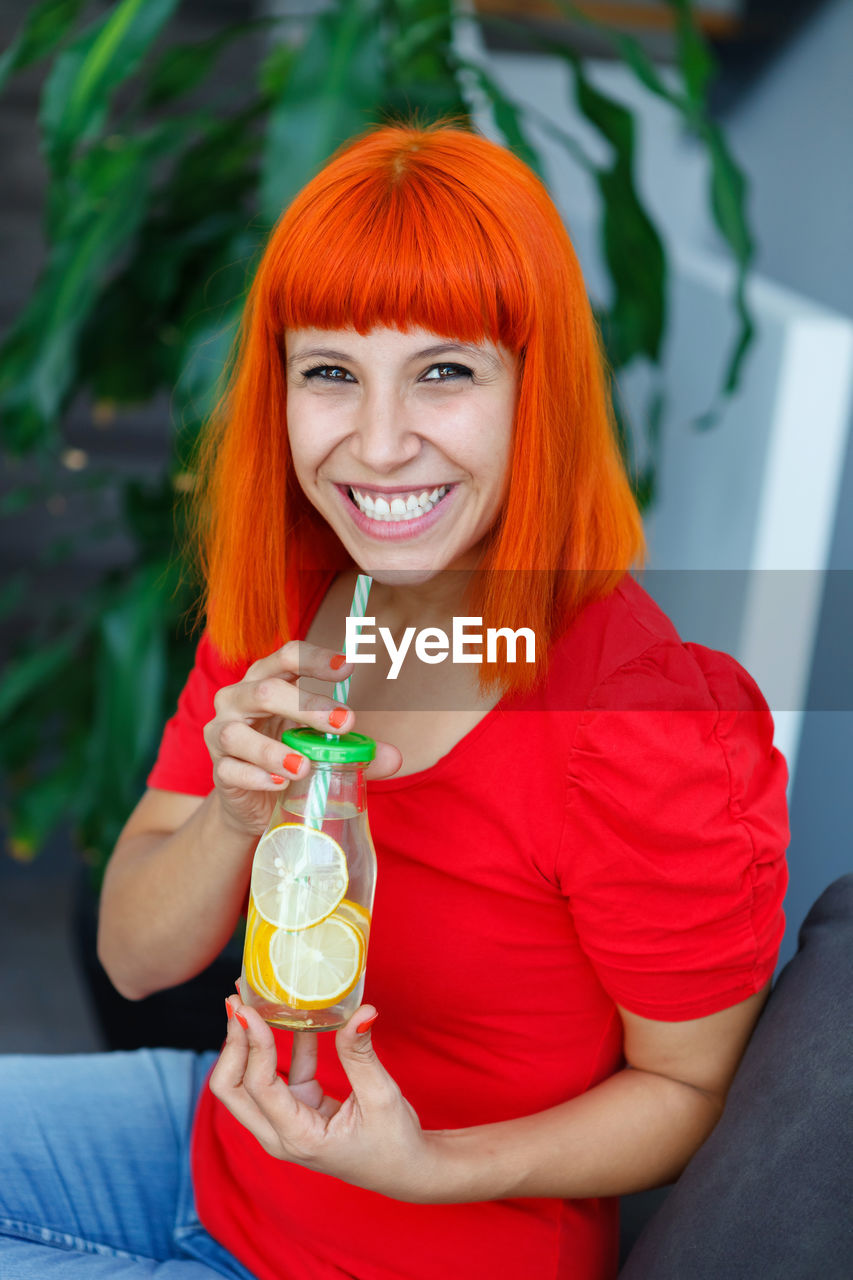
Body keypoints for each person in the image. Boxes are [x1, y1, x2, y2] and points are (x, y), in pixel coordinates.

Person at [0, 123, 789, 1280]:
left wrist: (433, 1163)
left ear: (539, 389)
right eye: (331, 372)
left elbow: (687, 1093)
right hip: (210, 1153)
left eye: (444, 370)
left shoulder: (640, 724)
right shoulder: (289, 602)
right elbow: (131, 958)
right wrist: (229, 811)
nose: (376, 445)